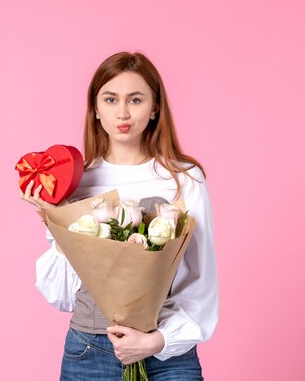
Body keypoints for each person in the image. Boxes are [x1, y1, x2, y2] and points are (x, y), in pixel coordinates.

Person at [22, 51, 218, 381]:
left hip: (168, 355)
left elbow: (201, 281)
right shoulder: (77, 181)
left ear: (155, 107)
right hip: (89, 352)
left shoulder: (183, 178)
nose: (122, 112)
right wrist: (56, 219)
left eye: (136, 100)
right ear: (95, 109)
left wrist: (157, 341)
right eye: (110, 99)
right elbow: (63, 297)